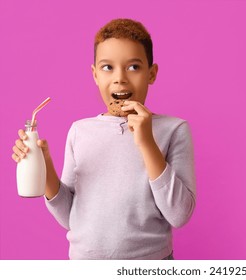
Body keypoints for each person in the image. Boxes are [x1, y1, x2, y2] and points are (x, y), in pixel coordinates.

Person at [11, 18, 196, 260]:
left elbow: (179, 214)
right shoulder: (79, 131)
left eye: (133, 67)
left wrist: (147, 142)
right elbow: (69, 218)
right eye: (108, 67)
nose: (120, 78)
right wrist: (44, 169)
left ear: (151, 74)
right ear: (95, 74)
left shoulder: (174, 130)